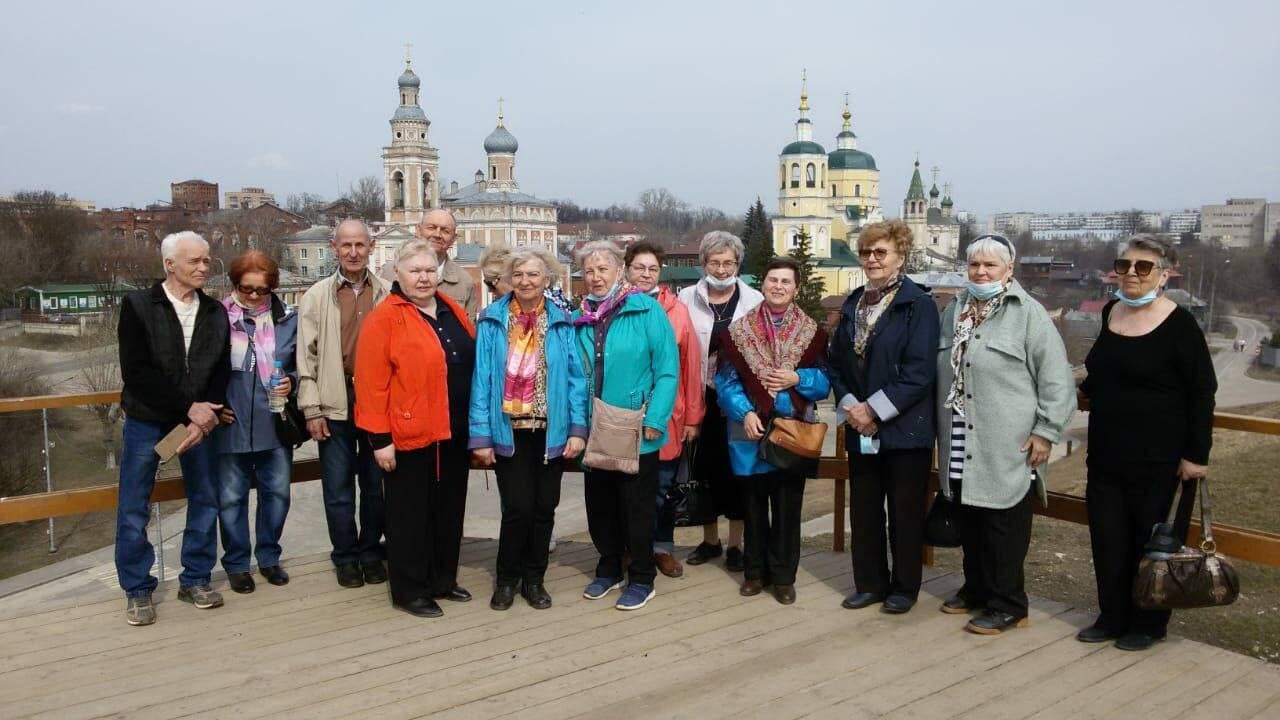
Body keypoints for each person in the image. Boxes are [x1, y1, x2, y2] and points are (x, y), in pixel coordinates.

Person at [1078, 235, 1217, 651]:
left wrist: (1197, 454)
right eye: (1124, 265)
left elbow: (1202, 391)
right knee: (1108, 539)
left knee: (1152, 543)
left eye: (1143, 267)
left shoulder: (1181, 324)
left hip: (1160, 460)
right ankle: (1111, 615)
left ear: (1164, 274)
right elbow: (1102, 373)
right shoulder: (1110, 312)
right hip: (1106, 454)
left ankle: (1148, 623)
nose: (1132, 274)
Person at [934, 234, 1076, 635]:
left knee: (1003, 526)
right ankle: (977, 589)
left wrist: (1046, 432)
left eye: (990, 265)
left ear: (1008, 270)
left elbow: (1056, 378)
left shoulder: (1027, 314)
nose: (980, 272)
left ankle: (1009, 603)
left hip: (1007, 441)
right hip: (961, 435)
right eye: (974, 265)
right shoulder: (957, 309)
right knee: (970, 517)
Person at [355, 239, 476, 618]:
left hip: (452, 430)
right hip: (408, 433)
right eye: (415, 271)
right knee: (410, 514)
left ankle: (443, 579)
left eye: (429, 270)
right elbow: (372, 385)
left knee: (448, 509)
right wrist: (380, 440)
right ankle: (410, 590)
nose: (423, 278)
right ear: (398, 274)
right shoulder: (385, 318)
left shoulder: (451, 308)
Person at [115, 231, 229, 625]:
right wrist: (190, 409)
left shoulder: (215, 312)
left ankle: (195, 578)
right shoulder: (138, 306)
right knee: (134, 505)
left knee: (205, 499)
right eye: (195, 261)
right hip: (149, 421)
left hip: (198, 424)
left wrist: (206, 415)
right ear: (169, 264)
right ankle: (137, 588)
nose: (203, 267)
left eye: (206, 260)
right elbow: (136, 372)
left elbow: (220, 369)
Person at [829, 220, 940, 614]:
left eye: (881, 253)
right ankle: (870, 583)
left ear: (900, 256)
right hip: (861, 427)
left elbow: (919, 372)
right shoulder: (854, 302)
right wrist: (850, 406)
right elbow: (836, 364)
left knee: (905, 513)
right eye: (866, 253)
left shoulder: (918, 305)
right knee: (865, 508)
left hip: (904, 430)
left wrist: (873, 409)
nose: (872, 260)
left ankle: (904, 587)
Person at [470, 246, 589, 610]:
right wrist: (481, 435)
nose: (525, 281)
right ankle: (507, 579)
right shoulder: (492, 320)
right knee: (517, 508)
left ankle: (534, 579)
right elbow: (482, 379)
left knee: (544, 508)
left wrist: (577, 428)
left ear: (547, 280)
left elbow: (575, 378)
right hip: (509, 430)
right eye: (518, 274)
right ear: (509, 279)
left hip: (550, 430)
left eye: (533, 275)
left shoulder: (561, 321)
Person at [716, 258, 830, 605]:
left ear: (796, 288)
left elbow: (826, 382)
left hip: (791, 432)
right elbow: (724, 382)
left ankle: (783, 577)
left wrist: (798, 378)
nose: (778, 286)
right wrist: (745, 412)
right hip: (749, 432)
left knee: (786, 508)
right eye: (772, 280)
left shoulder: (813, 333)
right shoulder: (738, 332)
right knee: (752, 508)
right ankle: (754, 573)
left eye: (786, 281)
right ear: (762, 284)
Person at [573, 240, 679, 611]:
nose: (595, 276)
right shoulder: (580, 317)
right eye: (589, 270)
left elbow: (668, 370)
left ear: (620, 270)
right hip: (593, 425)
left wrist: (655, 418)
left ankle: (642, 576)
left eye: (603, 269)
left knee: (636, 507)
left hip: (635, 426)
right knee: (599, 504)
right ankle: (608, 568)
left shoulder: (645, 310)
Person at [296, 219, 391, 589]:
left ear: (371, 247)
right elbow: (307, 355)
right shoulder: (318, 295)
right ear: (334, 247)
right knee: (337, 487)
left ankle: (370, 551)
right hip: (335, 398)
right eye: (346, 246)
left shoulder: (385, 292)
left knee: (375, 484)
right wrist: (311, 407)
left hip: (375, 401)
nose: (353, 253)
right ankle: (345, 556)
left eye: (360, 245)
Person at [677, 231, 764, 572]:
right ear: (703, 264)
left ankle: (735, 544)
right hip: (700, 396)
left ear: (738, 265)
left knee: (737, 470)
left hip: (739, 400)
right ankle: (710, 540)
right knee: (705, 468)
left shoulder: (753, 300)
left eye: (729, 262)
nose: (722, 268)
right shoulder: (686, 298)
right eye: (715, 262)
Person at [213, 250, 298, 594]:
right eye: (244, 288)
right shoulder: (217, 317)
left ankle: (268, 557)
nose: (252, 296)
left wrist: (293, 380)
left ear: (272, 288)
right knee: (231, 498)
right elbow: (202, 369)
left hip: (274, 420)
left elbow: (303, 363)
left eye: (260, 290)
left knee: (276, 494)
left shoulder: (287, 318)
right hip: (230, 423)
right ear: (234, 284)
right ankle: (236, 563)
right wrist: (212, 407)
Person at [624, 241, 706, 578]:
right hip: (624, 415)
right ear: (627, 269)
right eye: (639, 267)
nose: (645, 274)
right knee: (627, 488)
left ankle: (661, 548)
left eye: (652, 269)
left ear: (660, 272)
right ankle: (630, 549)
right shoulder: (615, 307)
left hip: (668, 417)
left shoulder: (677, 312)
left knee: (663, 487)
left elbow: (690, 367)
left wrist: (692, 418)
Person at [417, 209, 478, 316]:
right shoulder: (392, 273)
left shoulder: (464, 281)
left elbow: (469, 328)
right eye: (431, 228)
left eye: (445, 231)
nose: (437, 234)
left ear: (453, 239)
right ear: (418, 230)